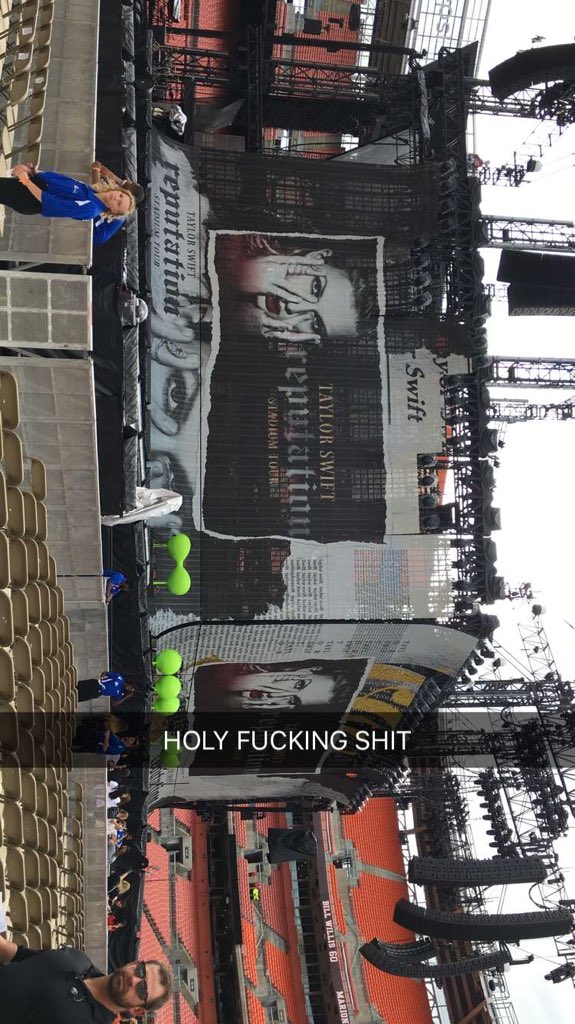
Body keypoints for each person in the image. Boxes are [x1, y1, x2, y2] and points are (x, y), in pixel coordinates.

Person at [0, 930, 173, 1023]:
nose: (133, 980)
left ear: (138, 1010)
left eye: (142, 989)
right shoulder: (79, 959)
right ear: (134, 963)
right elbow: (17, 954)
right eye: (141, 971)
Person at [0, 164, 136, 245]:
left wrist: (26, 181)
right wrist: (35, 172)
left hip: (31, 197)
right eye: (120, 195)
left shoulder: (91, 209)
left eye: (118, 203)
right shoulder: (92, 190)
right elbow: (61, 180)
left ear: (114, 210)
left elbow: (54, 205)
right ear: (119, 190)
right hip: (34, 184)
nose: (116, 198)